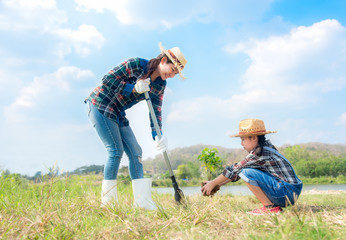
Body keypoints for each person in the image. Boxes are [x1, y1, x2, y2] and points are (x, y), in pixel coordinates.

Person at [85, 43, 187, 210]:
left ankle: (142, 203)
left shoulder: (160, 84)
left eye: (176, 73)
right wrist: (133, 88)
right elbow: (107, 80)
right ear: (163, 60)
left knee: (136, 152)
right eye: (173, 69)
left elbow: (156, 110)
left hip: (118, 111)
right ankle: (108, 204)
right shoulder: (136, 64)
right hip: (100, 104)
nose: (173, 75)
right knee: (115, 150)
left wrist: (158, 134)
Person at [201, 118, 303, 215]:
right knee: (245, 171)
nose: (241, 144)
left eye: (243, 140)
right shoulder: (265, 147)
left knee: (245, 172)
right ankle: (271, 206)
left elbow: (235, 169)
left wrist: (213, 182)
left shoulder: (261, 153)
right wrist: (218, 184)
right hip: (290, 192)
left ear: (254, 138)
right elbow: (236, 173)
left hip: (287, 193)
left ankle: (269, 208)